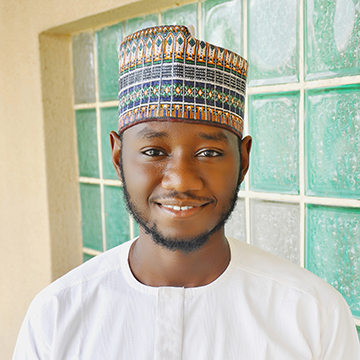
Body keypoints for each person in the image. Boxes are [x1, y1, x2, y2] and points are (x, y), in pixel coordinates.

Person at [13, 25, 359, 359]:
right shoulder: (57, 316)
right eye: (153, 152)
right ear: (118, 157)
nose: (180, 181)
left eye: (208, 153)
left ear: (243, 160)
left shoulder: (314, 316)